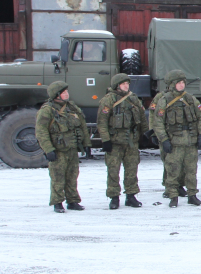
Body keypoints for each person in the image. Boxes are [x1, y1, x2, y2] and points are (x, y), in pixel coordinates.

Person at [151, 69, 201, 207]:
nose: (182, 85)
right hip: (174, 142)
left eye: (183, 82)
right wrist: (163, 139)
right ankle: (173, 196)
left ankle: (192, 195)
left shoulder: (191, 99)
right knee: (173, 170)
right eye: (179, 83)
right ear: (172, 84)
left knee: (191, 171)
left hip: (190, 142)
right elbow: (157, 122)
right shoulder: (164, 100)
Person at [35, 81, 92, 213]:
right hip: (58, 149)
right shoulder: (47, 110)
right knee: (57, 177)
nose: (67, 94)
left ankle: (72, 201)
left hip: (72, 148)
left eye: (66, 91)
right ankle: (57, 202)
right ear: (56, 95)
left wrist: (86, 144)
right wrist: (48, 149)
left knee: (72, 176)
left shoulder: (71, 107)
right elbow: (41, 132)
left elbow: (82, 125)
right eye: (64, 92)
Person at [97, 73, 148, 209]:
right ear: (117, 85)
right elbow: (102, 122)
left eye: (127, 84)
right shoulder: (108, 100)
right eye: (123, 84)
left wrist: (144, 133)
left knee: (132, 169)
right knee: (113, 170)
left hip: (131, 141)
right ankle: (114, 197)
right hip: (115, 142)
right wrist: (105, 140)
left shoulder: (133, 99)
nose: (126, 86)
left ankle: (131, 196)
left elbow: (142, 117)